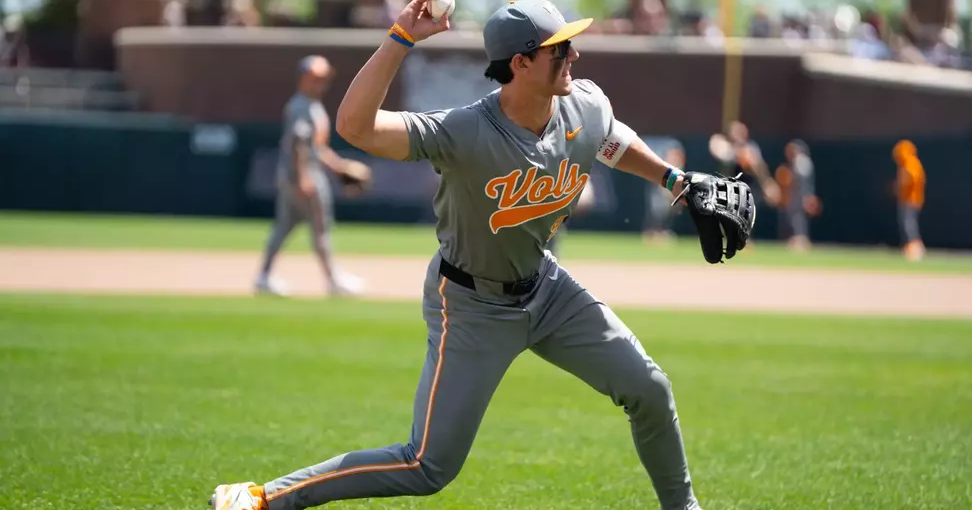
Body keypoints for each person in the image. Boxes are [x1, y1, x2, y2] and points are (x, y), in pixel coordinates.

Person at [211, 1, 703, 509]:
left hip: (548, 289)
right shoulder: (462, 131)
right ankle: (265, 498)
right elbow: (356, 129)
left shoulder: (585, 102)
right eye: (560, 49)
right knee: (426, 465)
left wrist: (674, 180)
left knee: (649, 388)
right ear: (521, 62)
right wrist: (400, 37)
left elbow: (610, 137)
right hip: (472, 305)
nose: (574, 55)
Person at [254, 55, 365, 297]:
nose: (322, 83)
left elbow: (316, 147)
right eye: (317, 78)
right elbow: (299, 144)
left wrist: (338, 166)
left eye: (325, 78)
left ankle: (263, 276)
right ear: (304, 78)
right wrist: (305, 177)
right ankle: (334, 281)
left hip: (293, 176)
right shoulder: (301, 106)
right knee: (320, 228)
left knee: (284, 227)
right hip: (303, 176)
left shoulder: (309, 105)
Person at [774, 140, 821, 252]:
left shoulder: (802, 161)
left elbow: (804, 182)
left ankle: (801, 240)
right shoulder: (795, 162)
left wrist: (807, 196)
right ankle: (797, 239)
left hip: (801, 194)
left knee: (799, 217)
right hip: (794, 194)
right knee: (794, 217)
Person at [893, 139, 926, 261]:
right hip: (906, 200)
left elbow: (911, 180)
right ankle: (909, 247)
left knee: (909, 224)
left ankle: (915, 249)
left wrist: (901, 185)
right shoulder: (905, 164)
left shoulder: (911, 163)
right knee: (906, 223)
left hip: (911, 200)